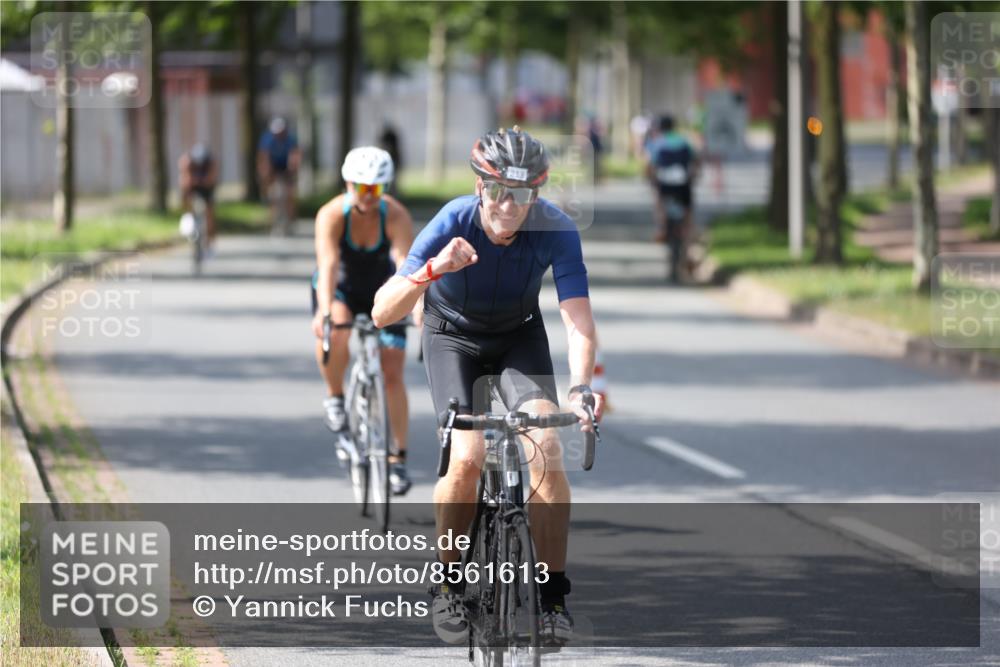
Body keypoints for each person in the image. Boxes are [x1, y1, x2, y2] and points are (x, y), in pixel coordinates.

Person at [372, 126, 603, 647]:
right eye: (497, 190)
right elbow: (382, 309)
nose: (507, 205)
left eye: (520, 194)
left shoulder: (557, 230)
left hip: (518, 336)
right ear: (480, 187)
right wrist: (433, 269)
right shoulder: (452, 221)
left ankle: (552, 598)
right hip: (451, 336)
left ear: (536, 195)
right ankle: (449, 582)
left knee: (545, 447)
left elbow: (577, 322)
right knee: (469, 455)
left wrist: (581, 388)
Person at [312, 147, 416, 495]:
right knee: (336, 332)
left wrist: (412, 307)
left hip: (382, 290)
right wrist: (324, 312)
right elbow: (327, 265)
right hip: (341, 287)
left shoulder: (397, 216)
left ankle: (397, 459)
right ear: (348, 185)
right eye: (361, 188)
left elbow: (404, 266)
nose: (369, 197)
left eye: (377, 190)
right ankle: (335, 396)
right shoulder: (331, 215)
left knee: (392, 371)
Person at [645, 114, 699, 255]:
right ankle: (690, 241)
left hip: (664, 184)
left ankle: (661, 228)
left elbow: (650, 165)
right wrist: (694, 176)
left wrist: (650, 179)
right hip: (684, 183)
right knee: (687, 212)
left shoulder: (657, 143)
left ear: (660, 128)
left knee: (658, 202)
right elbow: (695, 161)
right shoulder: (685, 141)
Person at [257, 117, 301, 234]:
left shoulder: (290, 139)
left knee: (289, 196)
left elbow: (294, 156)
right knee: (273, 197)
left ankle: (291, 222)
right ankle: (274, 224)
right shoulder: (268, 140)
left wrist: (292, 170)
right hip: (274, 168)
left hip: (286, 169)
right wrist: (266, 175)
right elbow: (264, 157)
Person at [178, 143, 218, 251]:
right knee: (185, 195)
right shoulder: (187, 161)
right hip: (193, 185)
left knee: (209, 211)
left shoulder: (210, 162)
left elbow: (211, 179)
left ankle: (210, 240)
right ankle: (188, 217)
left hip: (206, 187)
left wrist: (204, 181)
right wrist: (191, 182)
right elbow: (185, 180)